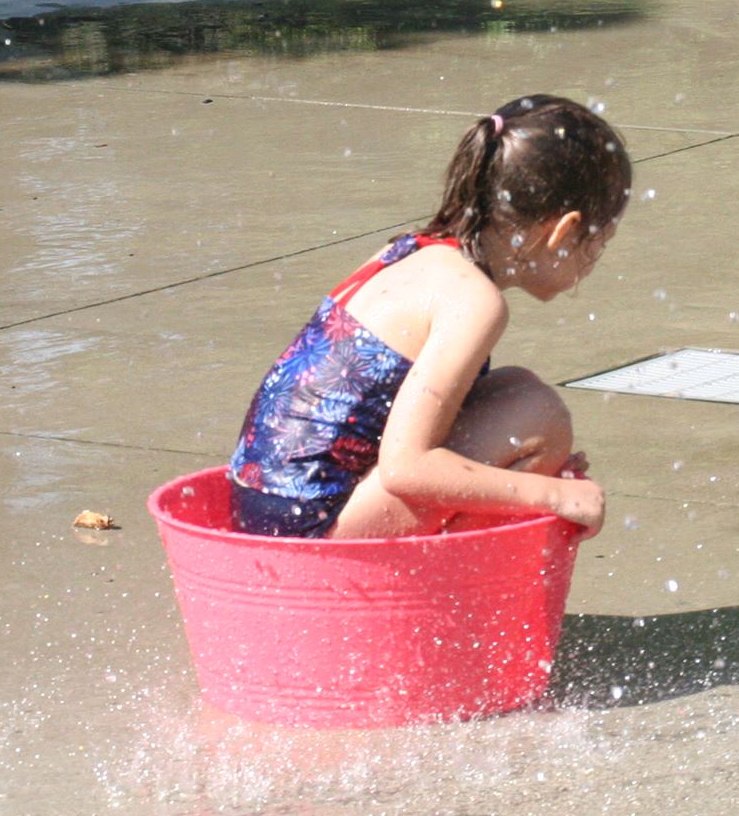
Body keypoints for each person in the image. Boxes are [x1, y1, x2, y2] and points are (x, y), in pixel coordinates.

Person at [227, 95, 629, 540]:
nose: (595, 259)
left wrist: (522, 479)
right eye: (600, 242)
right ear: (565, 231)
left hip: (267, 507)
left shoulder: (412, 251)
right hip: (310, 534)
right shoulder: (474, 302)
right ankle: (441, 602)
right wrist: (549, 495)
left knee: (516, 391)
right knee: (539, 415)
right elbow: (407, 467)